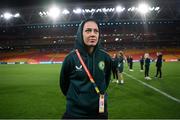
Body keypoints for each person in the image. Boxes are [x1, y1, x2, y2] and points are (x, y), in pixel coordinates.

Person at [60, 19, 112, 119]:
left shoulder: (105, 57)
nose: (93, 34)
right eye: (88, 31)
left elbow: (106, 81)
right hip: (75, 114)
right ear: (80, 34)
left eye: (96, 31)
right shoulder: (70, 59)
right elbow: (64, 85)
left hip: (100, 113)